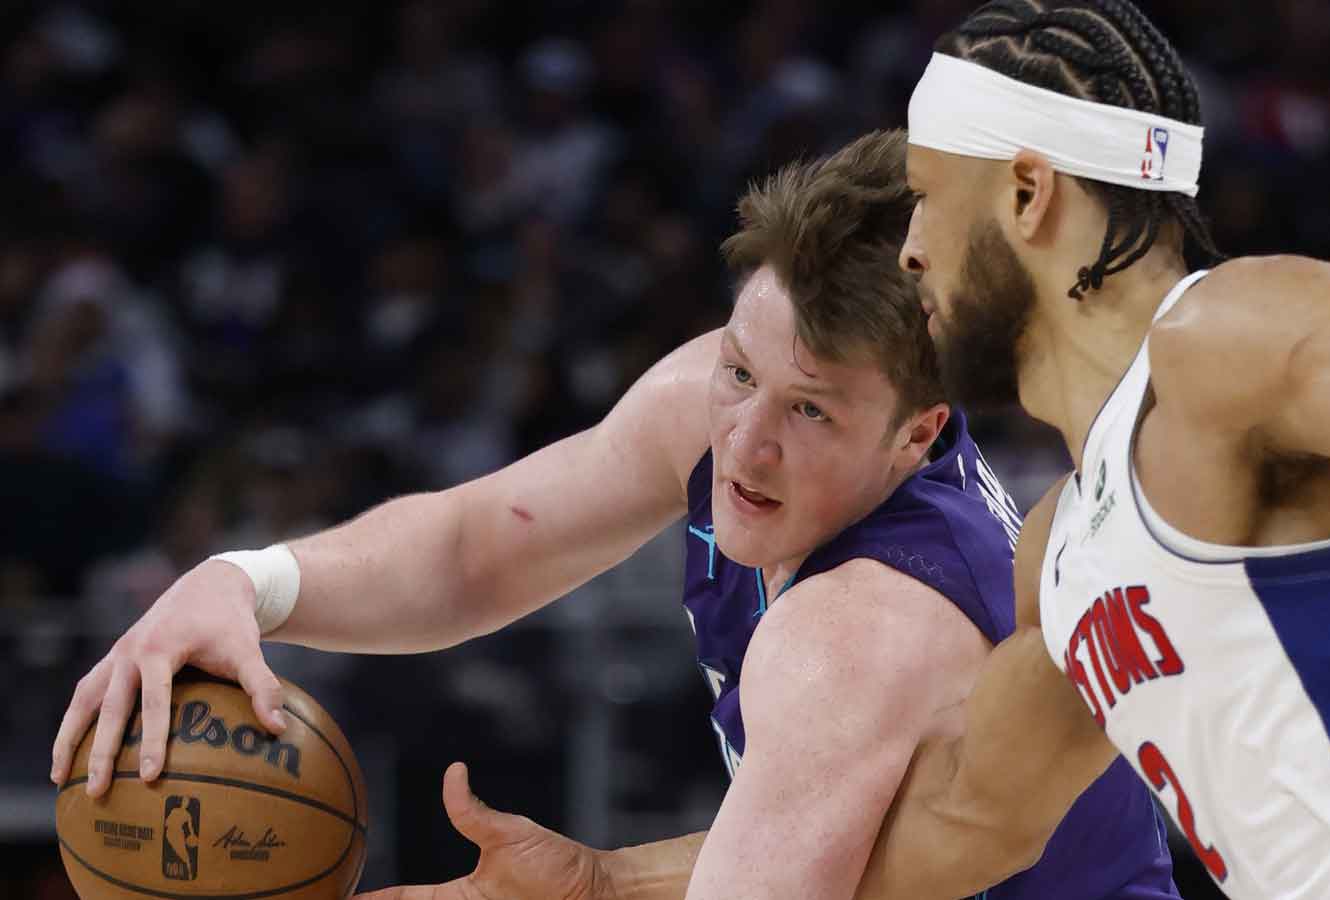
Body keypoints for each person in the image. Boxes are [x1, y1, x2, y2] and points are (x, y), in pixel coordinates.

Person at [51, 130, 1179, 900]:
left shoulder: (866, 631)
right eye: (741, 371)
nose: (744, 440)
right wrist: (245, 582)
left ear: (920, 431)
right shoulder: (737, 404)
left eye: (809, 412)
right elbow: (477, 550)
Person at [847, 1, 1330, 898]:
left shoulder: (1218, 339)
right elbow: (960, 825)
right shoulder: (1058, 551)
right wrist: (639, 879)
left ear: (1026, 191)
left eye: (925, 197)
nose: (910, 251)